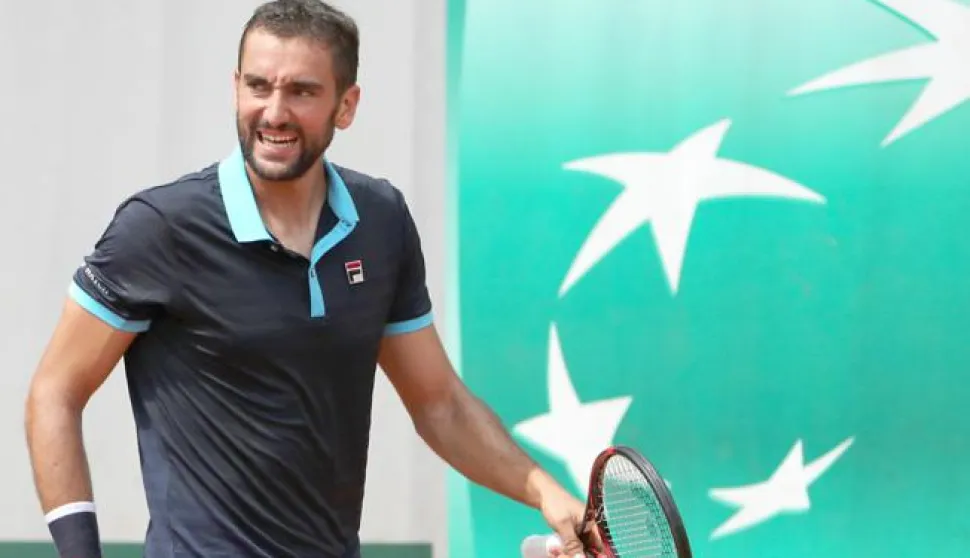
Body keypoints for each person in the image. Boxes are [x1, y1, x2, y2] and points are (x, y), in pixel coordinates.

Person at [23, 1, 602, 557]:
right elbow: (55, 391)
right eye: (258, 86)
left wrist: (547, 494)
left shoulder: (381, 221)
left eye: (301, 91)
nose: (274, 112)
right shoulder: (159, 228)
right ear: (236, 87)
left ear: (345, 106)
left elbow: (440, 405)